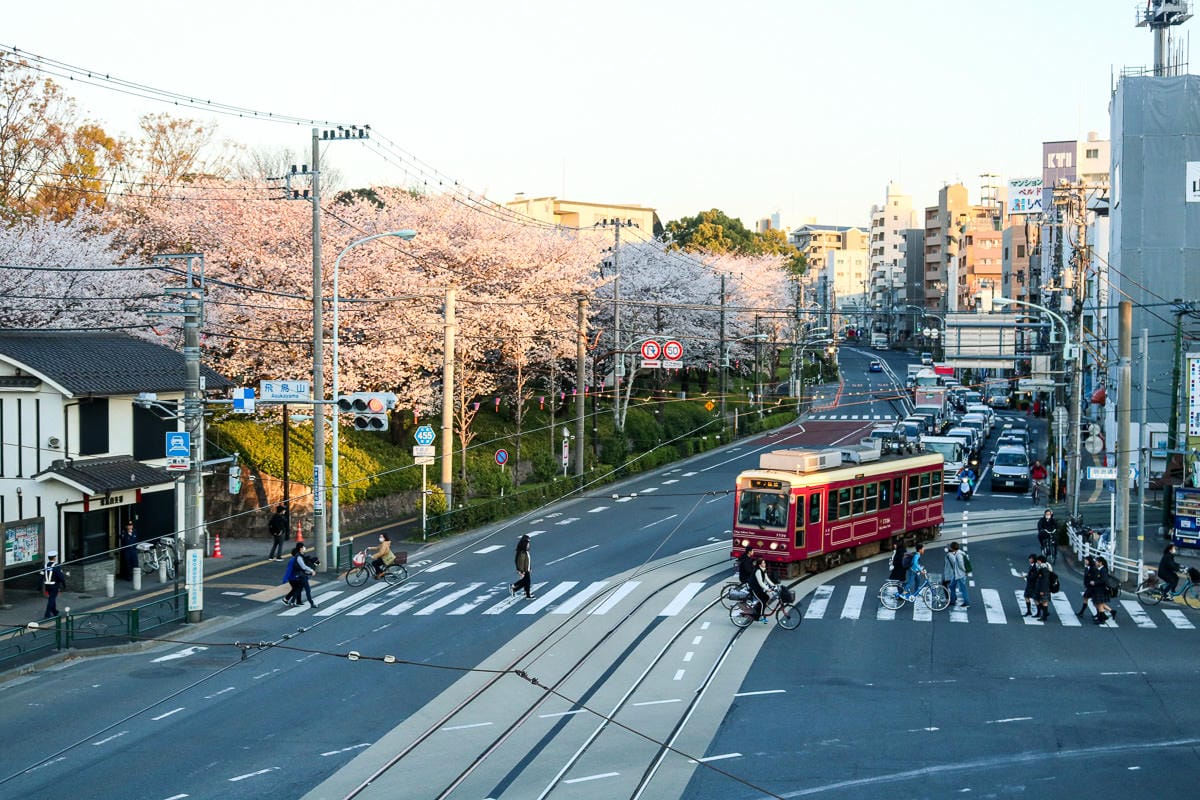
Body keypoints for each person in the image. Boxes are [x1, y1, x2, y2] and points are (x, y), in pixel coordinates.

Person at [944, 541, 970, 608]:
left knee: (963, 588)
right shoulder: (960, 552)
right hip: (957, 574)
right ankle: (953, 600)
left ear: (952, 548)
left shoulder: (958, 554)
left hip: (960, 574)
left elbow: (961, 564)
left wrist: (965, 571)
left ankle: (967, 603)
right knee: (951, 586)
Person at [750, 556, 776, 622]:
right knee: (762, 602)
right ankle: (760, 616)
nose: (765, 564)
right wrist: (767, 589)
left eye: (764, 563)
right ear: (759, 564)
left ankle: (756, 610)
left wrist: (774, 586)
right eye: (763, 563)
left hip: (759, 589)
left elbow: (767, 579)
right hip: (754, 589)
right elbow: (761, 582)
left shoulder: (763, 570)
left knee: (766, 597)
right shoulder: (758, 571)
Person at [43, 551, 67, 618]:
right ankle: (47, 613)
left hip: (47, 585)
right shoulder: (56, 566)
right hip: (54, 585)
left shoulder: (45, 565)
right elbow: (60, 576)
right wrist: (64, 584)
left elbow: (41, 574)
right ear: (54, 558)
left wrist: (39, 586)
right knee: (52, 599)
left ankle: (54, 611)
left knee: (52, 597)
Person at [1093, 556, 1116, 624]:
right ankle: (1104, 616)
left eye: (1096, 562)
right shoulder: (1100, 569)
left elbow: (1103, 580)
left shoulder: (1103, 570)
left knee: (1100, 605)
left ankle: (1102, 619)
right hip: (1099, 590)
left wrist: (1095, 582)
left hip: (1101, 590)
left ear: (1100, 563)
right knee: (1099, 604)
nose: (1095, 563)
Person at [510, 534, 533, 599]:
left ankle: (514, 588)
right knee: (527, 582)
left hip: (526, 569)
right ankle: (527, 595)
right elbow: (521, 563)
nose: (529, 544)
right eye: (527, 543)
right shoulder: (522, 553)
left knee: (525, 582)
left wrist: (530, 568)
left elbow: (528, 561)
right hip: (524, 570)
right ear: (524, 544)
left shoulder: (526, 551)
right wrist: (521, 571)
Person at [1033, 555, 1052, 621]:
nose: (1037, 562)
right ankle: (1045, 614)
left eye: (1038, 560)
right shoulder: (1043, 567)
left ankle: (1045, 616)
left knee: (1044, 602)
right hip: (1043, 588)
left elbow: (1044, 581)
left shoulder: (1044, 569)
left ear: (1040, 561)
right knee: (1041, 601)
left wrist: (1042, 590)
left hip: (1044, 589)